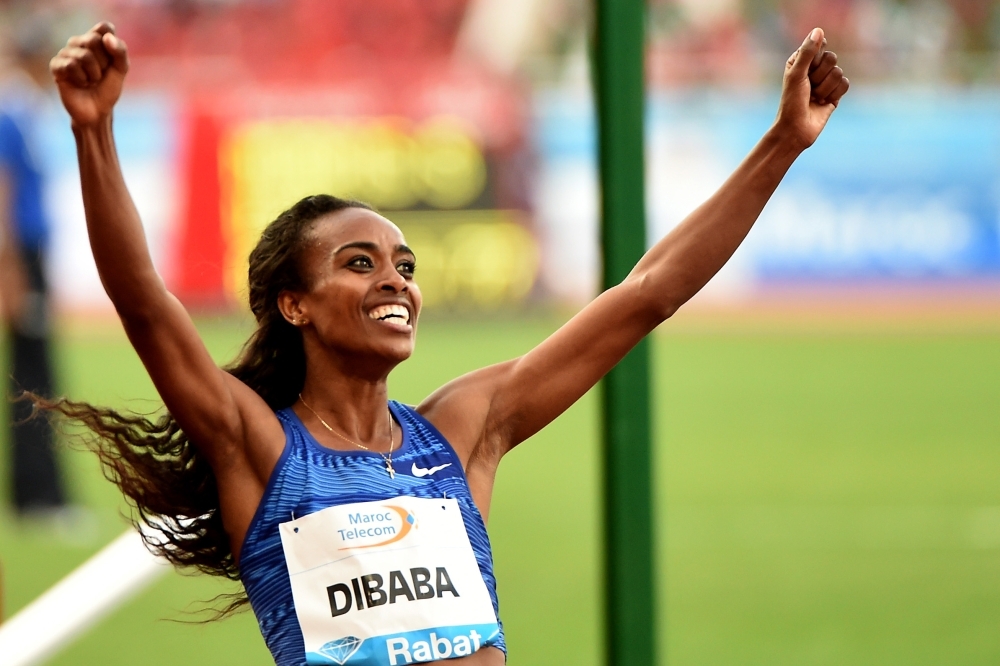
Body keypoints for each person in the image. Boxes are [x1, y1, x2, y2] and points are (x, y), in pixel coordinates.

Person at [46, 21, 848, 666]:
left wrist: (783, 142)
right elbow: (147, 306)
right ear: (295, 306)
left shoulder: (464, 429)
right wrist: (95, 132)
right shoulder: (258, 446)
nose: (395, 281)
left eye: (405, 265)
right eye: (359, 265)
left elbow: (647, 295)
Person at [0, 18, 66, 517]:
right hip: (20, 256)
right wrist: (12, 271)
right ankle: (38, 495)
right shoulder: (13, 108)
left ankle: (35, 494)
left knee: (33, 368)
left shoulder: (23, 108)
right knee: (32, 370)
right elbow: (4, 191)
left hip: (25, 255)